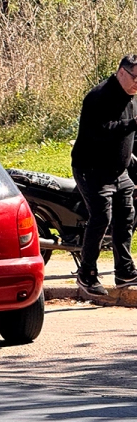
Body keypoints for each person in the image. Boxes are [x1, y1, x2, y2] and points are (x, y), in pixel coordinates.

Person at [71, 54, 137, 296]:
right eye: (136, 78)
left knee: (126, 218)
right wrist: (133, 124)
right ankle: (86, 274)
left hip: (119, 171)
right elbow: (100, 130)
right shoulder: (99, 97)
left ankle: (125, 271)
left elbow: (131, 133)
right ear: (121, 72)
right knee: (101, 218)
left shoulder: (131, 96)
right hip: (92, 170)